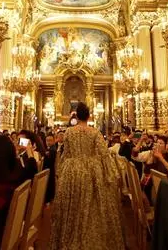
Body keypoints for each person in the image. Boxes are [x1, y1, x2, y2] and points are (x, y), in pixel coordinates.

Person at [49, 102, 124, 249]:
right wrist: (111, 173)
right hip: (91, 172)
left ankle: (70, 235)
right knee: (92, 205)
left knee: (73, 204)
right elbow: (104, 154)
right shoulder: (94, 132)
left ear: (76, 116)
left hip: (72, 171)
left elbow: (66, 154)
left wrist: (62, 170)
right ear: (89, 116)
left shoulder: (69, 132)